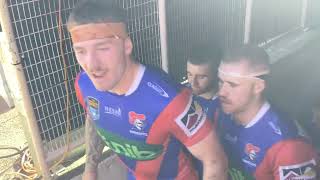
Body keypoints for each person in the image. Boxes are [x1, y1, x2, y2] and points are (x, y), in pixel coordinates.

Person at [67, 1, 227, 180]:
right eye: (80, 51)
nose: (92, 65)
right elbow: (94, 115)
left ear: (127, 45)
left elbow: (215, 159)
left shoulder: (170, 100)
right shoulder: (84, 84)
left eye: (103, 48)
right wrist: (90, 169)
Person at [216, 44, 319, 180]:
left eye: (233, 85)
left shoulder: (288, 146)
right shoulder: (222, 113)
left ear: (258, 86)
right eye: (220, 81)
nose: (221, 92)